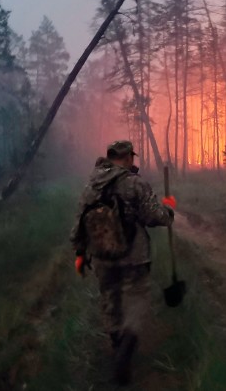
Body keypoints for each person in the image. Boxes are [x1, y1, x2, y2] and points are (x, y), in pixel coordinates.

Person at [70, 140, 175, 385]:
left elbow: (79, 224)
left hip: (103, 258)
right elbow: (153, 216)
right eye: (131, 158)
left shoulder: (91, 186)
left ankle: (117, 344)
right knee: (135, 301)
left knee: (110, 300)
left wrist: (80, 254)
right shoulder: (134, 183)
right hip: (134, 257)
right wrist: (168, 211)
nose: (133, 162)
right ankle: (127, 345)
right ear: (127, 157)